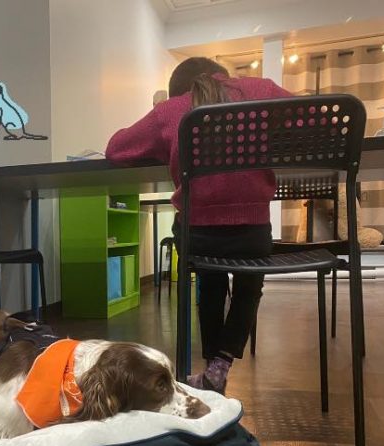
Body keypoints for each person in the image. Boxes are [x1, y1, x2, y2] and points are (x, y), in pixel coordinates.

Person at [105, 57, 291, 395]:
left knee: (209, 279)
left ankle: (210, 370)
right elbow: (319, 121)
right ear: (223, 75)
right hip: (254, 233)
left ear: (179, 90)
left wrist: (165, 139)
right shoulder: (261, 91)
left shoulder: (171, 111)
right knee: (249, 285)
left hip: (199, 236)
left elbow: (115, 149)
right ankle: (220, 366)